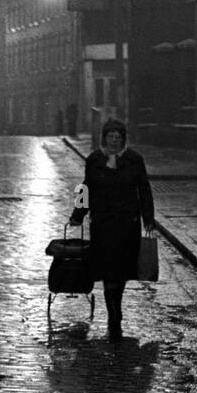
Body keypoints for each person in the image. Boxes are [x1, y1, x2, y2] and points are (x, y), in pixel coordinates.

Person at [69, 118, 154, 341]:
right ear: (104, 138)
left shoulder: (134, 160)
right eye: (110, 137)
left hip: (128, 224)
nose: (114, 141)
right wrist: (77, 215)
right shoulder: (95, 160)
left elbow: (144, 189)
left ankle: (116, 306)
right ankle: (113, 314)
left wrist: (149, 219)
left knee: (122, 270)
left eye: (118, 137)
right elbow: (86, 188)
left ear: (123, 139)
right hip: (103, 224)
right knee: (108, 270)